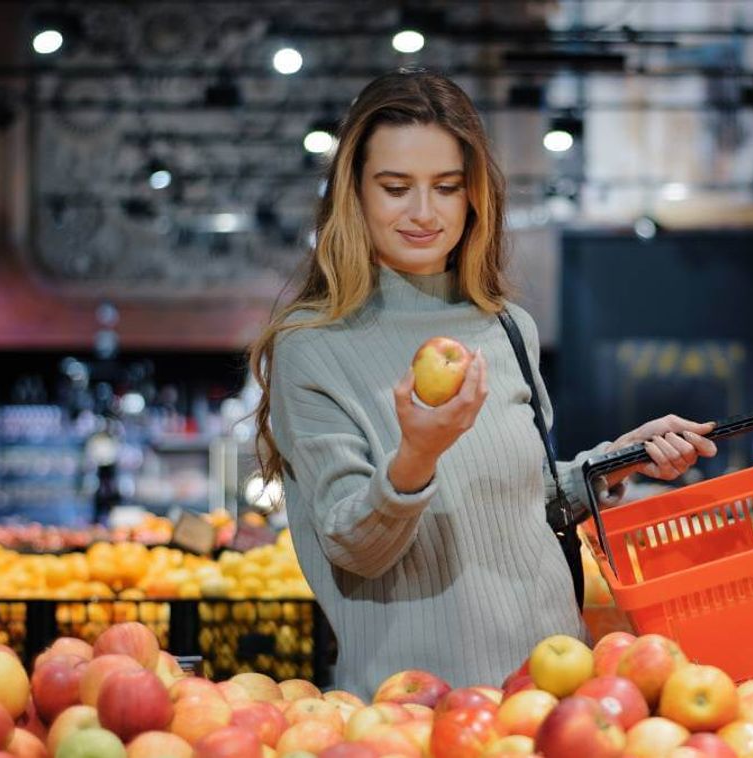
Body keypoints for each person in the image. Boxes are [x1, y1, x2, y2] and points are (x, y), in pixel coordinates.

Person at [248, 68, 718, 697]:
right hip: (415, 713)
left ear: (475, 196)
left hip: (553, 697)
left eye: (446, 187)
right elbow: (353, 547)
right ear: (352, 194)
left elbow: (524, 501)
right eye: (395, 188)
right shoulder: (312, 345)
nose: (424, 212)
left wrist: (616, 460)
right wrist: (417, 454)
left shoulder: (506, 326)